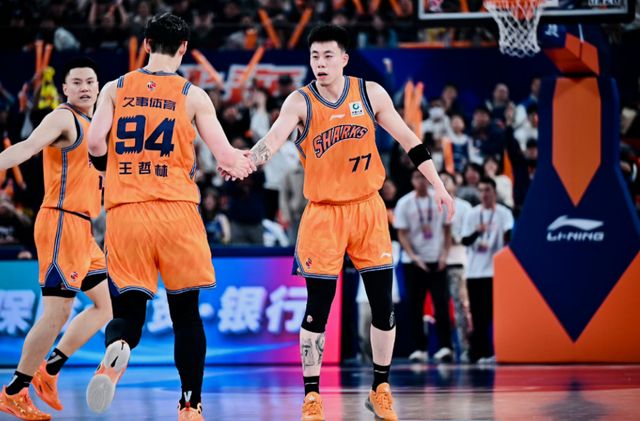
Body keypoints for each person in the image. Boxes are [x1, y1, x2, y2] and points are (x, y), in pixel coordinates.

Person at [231, 24, 454, 421]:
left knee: (383, 306)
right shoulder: (300, 102)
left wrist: (438, 185)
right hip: (323, 213)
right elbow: (273, 141)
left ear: (344, 59)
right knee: (318, 309)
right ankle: (311, 396)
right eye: (314, 56)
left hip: (368, 209)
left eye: (328, 56)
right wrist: (247, 160)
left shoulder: (370, 94)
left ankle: (380, 387)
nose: (320, 63)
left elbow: (409, 140)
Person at [85, 13, 254, 421]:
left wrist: (110, 166)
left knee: (128, 311)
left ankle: (118, 347)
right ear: (183, 49)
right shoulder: (193, 95)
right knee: (186, 315)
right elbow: (225, 155)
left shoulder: (114, 88)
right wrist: (241, 163)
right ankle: (190, 404)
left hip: (126, 212)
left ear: (146, 44)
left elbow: (94, 142)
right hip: (177, 212)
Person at [0, 58, 112, 421]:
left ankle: (49, 370)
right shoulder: (63, 118)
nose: (84, 87)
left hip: (83, 230)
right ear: (65, 89)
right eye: (76, 82)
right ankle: (14, 392)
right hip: (61, 221)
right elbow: (27, 147)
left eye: (90, 81)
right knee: (57, 312)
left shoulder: (97, 127)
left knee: (107, 305)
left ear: (98, 86)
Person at [395, 169, 453, 364]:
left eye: (423, 177)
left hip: (437, 259)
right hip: (414, 262)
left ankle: (446, 346)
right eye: (417, 177)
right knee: (415, 306)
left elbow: (447, 229)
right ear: (412, 180)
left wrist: (444, 255)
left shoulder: (438, 198)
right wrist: (414, 257)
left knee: (441, 304)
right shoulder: (405, 203)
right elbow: (402, 234)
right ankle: (419, 348)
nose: (421, 181)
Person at [461, 177, 513, 363]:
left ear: (494, 192)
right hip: (475, 272)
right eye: (481, 190)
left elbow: (510, 235)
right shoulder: (472, 214)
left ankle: (498, 350)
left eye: (487, 190)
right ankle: (480, 353)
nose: (484, 194)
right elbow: (465, 240)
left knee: (496, 314)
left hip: (495, 272)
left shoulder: (504, 213)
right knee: (478, 315)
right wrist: (478, 232)